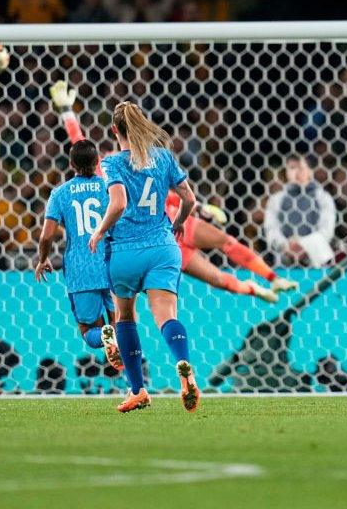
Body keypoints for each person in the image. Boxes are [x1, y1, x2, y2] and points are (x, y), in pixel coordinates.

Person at [49, 81, 293, 304]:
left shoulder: (140, 162)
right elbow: (78, 142)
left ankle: (273, 277)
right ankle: (252, 288)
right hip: (164, 242)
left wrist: (201, 209)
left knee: (225, 241)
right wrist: (67, 111)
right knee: (218, 280)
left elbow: (169, 194)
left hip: (176, 221)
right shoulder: (110, 172)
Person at [88, 102, 199, 414]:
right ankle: (183, 364)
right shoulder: (163, 157)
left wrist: (99, 230)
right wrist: (177, 224)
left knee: (124, 316)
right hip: (162, 247)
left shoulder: (112, 163)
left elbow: (119, 203)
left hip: (124, 252)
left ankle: (137, 390)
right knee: (165, 315)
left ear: (114, 131)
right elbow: (190, 199)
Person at [35, 140, 123, 371]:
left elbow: (46, 236)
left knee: (88, 331)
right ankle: (119, 348)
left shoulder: (60, 194)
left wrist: (43, 259)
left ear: (71, 164)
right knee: (122, 323)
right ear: (97, 163)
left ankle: (105, 337)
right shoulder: (110, 187)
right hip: (112, 264)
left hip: (80, 269)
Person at [263, 155, 337, 267]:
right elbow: (271, 229)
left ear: (310, 171)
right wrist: (286, 246)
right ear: (286, 172)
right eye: (292, 168)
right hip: (284, 259)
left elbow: (327, 230)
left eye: (301, 168)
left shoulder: (322, 197)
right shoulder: (276, 199)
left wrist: (304, 245)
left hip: (315, 258)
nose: (296, 172)